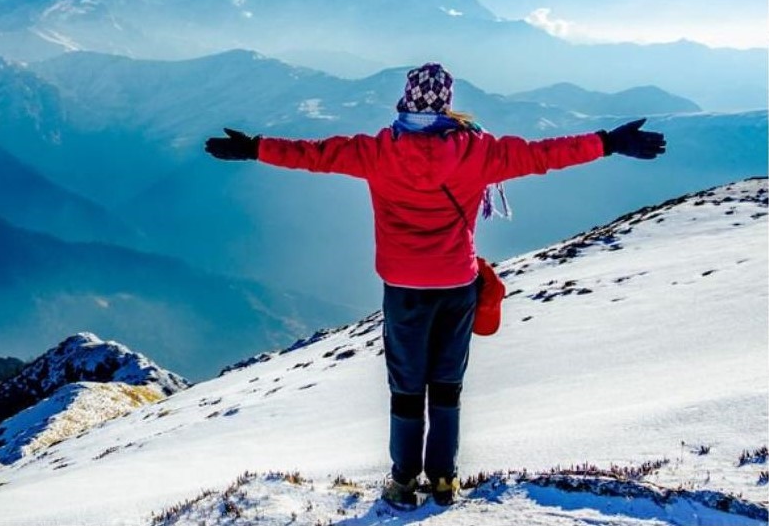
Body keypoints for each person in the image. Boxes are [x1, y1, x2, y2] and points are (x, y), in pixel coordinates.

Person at [203, 62, 666, 509]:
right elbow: (546, 154)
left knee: (407, 387)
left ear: (405, 100)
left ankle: (404, 482)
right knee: (447, 384)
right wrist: (608, 142)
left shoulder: (376, 151)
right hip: (456, 284)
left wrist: (254, 147)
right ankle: (444, 479)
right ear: (446, 104)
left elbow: (313, 155)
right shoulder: (479, 151)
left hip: (403, 286)